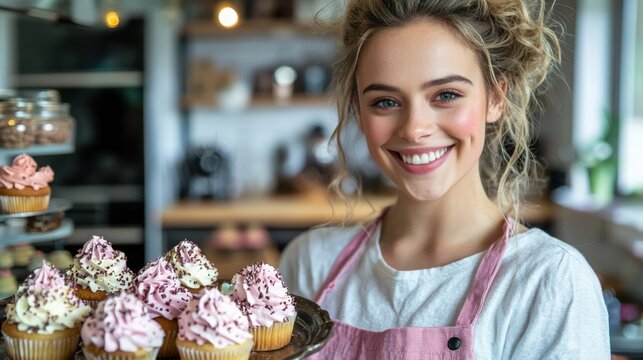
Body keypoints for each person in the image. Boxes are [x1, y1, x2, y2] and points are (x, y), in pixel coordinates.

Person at [279, 0, 610, 359]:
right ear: (359, 110)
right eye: (385, 102)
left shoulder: (549, 281)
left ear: (496, 98)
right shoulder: (310, 263)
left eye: (446, 95)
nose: (414, 129)